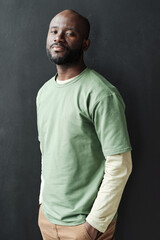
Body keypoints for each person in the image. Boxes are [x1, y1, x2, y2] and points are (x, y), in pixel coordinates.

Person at [36, 9, 132, 240]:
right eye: (54, 31)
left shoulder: (101, 94)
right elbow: (47, 151)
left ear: (85, 44)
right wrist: (43, 203)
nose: (58, 38)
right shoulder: (44, 92)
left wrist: (94, 224)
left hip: (83, 225)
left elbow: (120, 165)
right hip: (48, 219)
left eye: (69, 33)